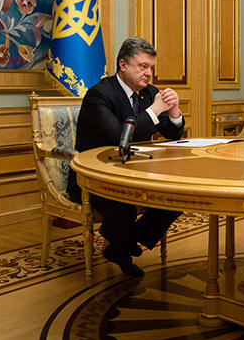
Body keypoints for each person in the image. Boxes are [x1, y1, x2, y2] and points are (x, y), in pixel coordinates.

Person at [67, 37, 185, 277]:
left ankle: (123, 243)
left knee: (178, 195)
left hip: (137, 172)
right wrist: (155, 110)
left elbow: (172, 133)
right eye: (143, 66)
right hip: (95, 178)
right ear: (123, 65)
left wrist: (174, 112)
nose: (149, 73)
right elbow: (120, 137)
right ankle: (122, 247)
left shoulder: (150, 93)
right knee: (124, 203)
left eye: (151, 67)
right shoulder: (99, 95)